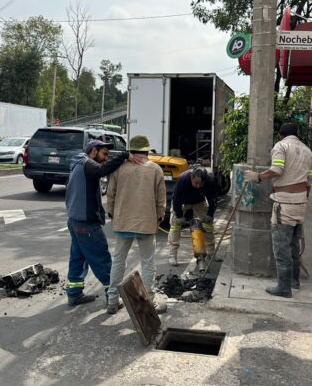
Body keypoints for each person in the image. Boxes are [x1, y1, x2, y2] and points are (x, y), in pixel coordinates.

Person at [64, 139, 141, 306]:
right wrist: (124, 155)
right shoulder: (87, 164)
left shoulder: (77, 163)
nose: (106, 158)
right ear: (93, 151)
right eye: (104, 154)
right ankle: (112, 296)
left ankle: (74, 293)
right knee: (102, 259)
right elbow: (102, 169)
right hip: (86, 224)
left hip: (74, 221)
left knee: (78, 258)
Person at [244, 122, 312, 298]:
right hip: (300, 202)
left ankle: (284, 287)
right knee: (293, 244)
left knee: (281, 246)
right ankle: (293, 281)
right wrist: (303, 199)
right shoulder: (308, 151)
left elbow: (277, 169)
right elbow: (309, 181)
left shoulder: (281, 146)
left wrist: (258, 177)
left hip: (285, 203)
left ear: (281, 135)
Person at [106, 135, 167, 315]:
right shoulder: (155, 169)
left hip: (123, 222)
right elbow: (160, 200)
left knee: (118, 260)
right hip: (146, 223)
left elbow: (110, 194)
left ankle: (112, 301)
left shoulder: (119, 169)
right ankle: (150, 300)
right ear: (147, 151)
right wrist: (159, 217)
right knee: (148, 262)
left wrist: (112, 213)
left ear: (130, 151)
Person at [168, 167, 217, 269]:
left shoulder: (209, 181)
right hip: (183, 202)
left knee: (208, 225)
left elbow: (213, 199)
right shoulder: (183, 179)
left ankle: (212, 252)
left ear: (205, 181)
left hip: (199, 201)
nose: (198, 186)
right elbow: (176, 198)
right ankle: (172, 255)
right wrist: (179, 216)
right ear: (191, 178)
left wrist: (210, 214)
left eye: (200, 184)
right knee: (175, 226)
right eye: (195, 183)